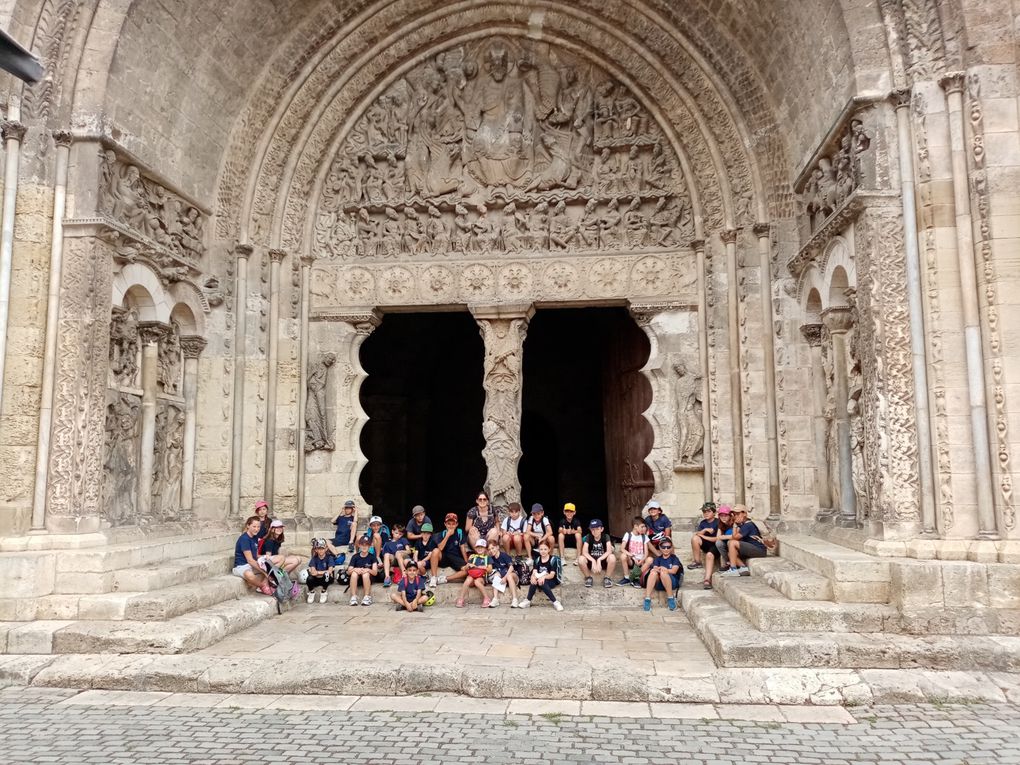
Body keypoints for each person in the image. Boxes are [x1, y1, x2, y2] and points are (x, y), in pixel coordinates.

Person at [232, 516, 273, 595]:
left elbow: (256, 555)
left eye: (258, 527)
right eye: (254, 526)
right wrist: (265, 572)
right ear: (248, 526)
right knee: (249, 575)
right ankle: (262, 586)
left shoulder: (255, 537)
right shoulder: (244, 539)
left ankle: (263, 582)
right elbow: (250, 560)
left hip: (252, 564)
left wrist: (265, 558)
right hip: (242, 566)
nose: (257, 529)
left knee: (277, 560)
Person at [723, 505, 767, 576]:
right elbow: (734, 536)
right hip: (751, 548)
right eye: (734, 514)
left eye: (738, 514)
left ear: (745, 514)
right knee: (731, 553)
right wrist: (735, 525)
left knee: (731, 543)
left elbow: (734, 538)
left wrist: (734, 525)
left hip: (759, 550)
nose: (735, 516)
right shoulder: (742, 525)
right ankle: (743, 567)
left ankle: (733, 569)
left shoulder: (748, 525)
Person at [520, 541, 563, 611]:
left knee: (542, 582)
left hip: (551, 581)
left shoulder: (552, 560)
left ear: (549, 549)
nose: (543, 551)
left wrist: (543, 577)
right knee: (534, 581)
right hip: (539, 579)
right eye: (541, 549)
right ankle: (528, 600)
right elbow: (534, 572)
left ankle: (555, 602)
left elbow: (552, 575)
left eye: (545, 549)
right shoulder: (537, 560)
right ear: (539, 550)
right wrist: (533, 577)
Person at [643, 537, 682, 612]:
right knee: (653, 572)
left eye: (668, 547)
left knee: (664, 572)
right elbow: (655, 568)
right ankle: (647, 599)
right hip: (660, 583)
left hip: (671, 582)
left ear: (671, 548)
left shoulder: (674, 558)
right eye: (664, 547)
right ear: (660, 548)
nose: (666, 549)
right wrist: (657, 569)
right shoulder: (658, 559)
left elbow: (674, 571)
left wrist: (664, 569)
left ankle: (671, 598)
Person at [431, 513, 469, 585]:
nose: (451, 526)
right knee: (435, 551)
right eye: (449, 523)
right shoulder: (442, 533)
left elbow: (462, 548)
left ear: (457, 524)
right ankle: (434, 578)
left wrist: (466, 562)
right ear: (445, 524)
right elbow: (440, 548)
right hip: (445, 556)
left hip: (456, 557)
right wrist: (448, 535)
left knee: (467, 570)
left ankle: (444, 579)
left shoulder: (459, 532)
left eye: (453, 524)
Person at [702, 505, 735, 588]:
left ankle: (731, 564)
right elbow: (718, 537)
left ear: (730, 515)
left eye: (726, 515)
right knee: (714, 548)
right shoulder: (720, 524)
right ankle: (707, 579)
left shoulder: (734, 523)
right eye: (721, 516)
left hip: (733, 545)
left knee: (727, 543)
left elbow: (736, 536)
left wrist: (725, 537)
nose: (723, 518)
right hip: (723, 545)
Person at [578, 519, 616, 588]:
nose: (595, 531)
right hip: (591, 561)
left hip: (603, 561)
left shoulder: (606, 536)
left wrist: (599, 560)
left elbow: (609, 551)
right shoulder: (588, 537)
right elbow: (584, 552)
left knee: (612, 557)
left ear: (602, 529)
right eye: (592, 529)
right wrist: (593, 561)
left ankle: (607, 578)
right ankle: (588, 578)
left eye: (597, 529)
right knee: (581, 559)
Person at [457, 539, 493, 608]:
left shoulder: (487, 558)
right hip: (472, 576)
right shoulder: (472, 557)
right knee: (468, 579)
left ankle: (486, 598)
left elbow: (490, 570)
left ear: (485, 548)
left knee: (477, 581)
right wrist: (468, 565)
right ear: (475, 548)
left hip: (481, 577)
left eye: (482, 547)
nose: (480, 549)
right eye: (478, 547)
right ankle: (461, 598)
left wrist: (484, 567)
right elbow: (466, 568)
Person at [486, 539, 520, 608]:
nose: (491, 551)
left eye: (493, 548)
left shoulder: (504, 555)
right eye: (489, 549)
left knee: (509, 576)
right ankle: (495, 599)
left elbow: (511, 568)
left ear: (497, 547)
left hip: (513, 576)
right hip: (503, 577)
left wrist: (504, 578)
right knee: (496, 575)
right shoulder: (491, 558)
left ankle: (515, 599)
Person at [618, 516, 650, 587]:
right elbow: (622, 548)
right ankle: (627, 578)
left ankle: (636, 578)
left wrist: (642, 560)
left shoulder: (644, 537)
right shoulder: (628, 535)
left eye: (644, 527)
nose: (644, 529)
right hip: (632, 561)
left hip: (641, 562)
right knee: (623, 556)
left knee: (650, 559)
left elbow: (646, 553)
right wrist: (632, 556)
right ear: (635, 526)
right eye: (642, 527)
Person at [346, 536, 378, 606]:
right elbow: (348, 572)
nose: (364, 547)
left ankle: (367, 596)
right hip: (357, 579)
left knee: (365, 574)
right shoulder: (355, 556)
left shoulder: (372, 557)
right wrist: (355, 569)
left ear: (370, 546)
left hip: (368, 578)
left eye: (366, 545)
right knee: (354, 573)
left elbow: (375, 572)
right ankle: (353, 597)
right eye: (362, 545)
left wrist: (368, 570)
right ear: (359, 545)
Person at [688, 501, 718, 570]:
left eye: (708, 511)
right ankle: (697, 562)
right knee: (695, 538)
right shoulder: (703, 523)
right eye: (704, 512)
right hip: (706, 545)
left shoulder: (718, 522)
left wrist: (703, 536)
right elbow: (697, 534)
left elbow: (718, 538)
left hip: (715, 546)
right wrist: (705, 530)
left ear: (714, 513)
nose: (706, 513)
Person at [304, 538, 335, 604]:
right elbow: (313, 572)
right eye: (318, 549)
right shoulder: (314, 559)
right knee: (309, 578)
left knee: (327, 575)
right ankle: (311, 592)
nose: (321, 550)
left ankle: (324, 591)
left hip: (326, 579)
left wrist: (318, 572)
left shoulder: (329, 558)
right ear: (316, 550)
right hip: (317, 579)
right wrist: (322, 572)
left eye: (322, 548)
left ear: (326, 549)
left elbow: (329, 571)